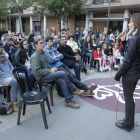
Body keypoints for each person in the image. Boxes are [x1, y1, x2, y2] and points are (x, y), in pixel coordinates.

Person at [31, 37, 86, 109]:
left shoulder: (43, 52)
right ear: (36, 45)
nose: (42, 44)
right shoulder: (35, 56)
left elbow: (50, 63)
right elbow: (37, 72)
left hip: (48, 73)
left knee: (61, 80)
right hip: (42, 77)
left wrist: (52, 69)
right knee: (62, 73)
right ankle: (73, 89)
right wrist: (50, 70)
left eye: (42, 42)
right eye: (40, 43)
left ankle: (68, 101)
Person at [115, 13, 140, 132]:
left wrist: (118, 74)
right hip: (136, 72)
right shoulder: (136, 37)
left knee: (128, 99)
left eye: (130, 21)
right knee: (130, 98)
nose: (129, 23)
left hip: (130, 74)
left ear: (135, 23)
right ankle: (130, 121)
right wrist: (124, 42)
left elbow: (127, 61)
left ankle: (127, 124)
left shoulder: (135, 38)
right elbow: (131, 53)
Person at [0, 42, 25, 112]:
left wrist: (14, 72)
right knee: (14, 81)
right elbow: (1, 74)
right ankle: (14, 102)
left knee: (25, 75)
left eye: (2, 47)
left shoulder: (4, 56)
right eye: (0, 47)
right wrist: (12, 76)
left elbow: (11, 66)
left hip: (10, 75)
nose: (2, 49)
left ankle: (27, 95)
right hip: (2, 79)